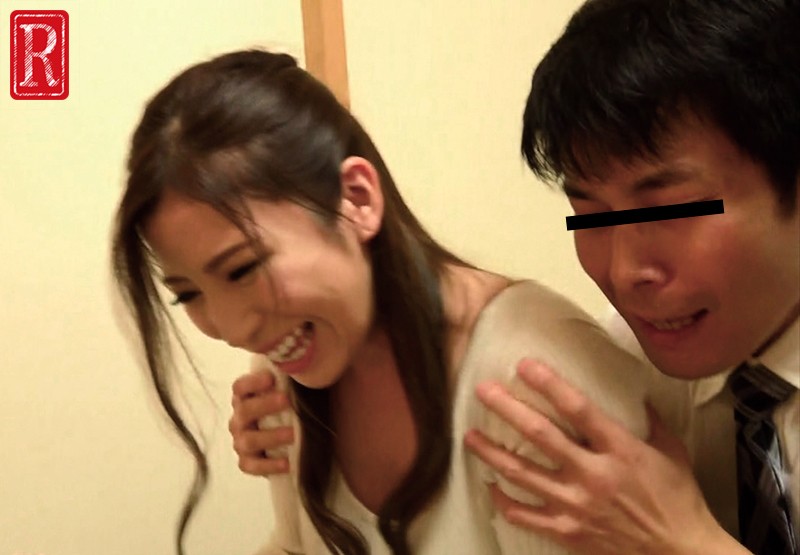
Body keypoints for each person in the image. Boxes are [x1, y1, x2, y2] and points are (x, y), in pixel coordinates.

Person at [112, 49, 652, 555]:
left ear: (357, 199)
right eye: (187, 294)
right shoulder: (292, 365)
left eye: (242, 269)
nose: (233, 329)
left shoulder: (528, 381)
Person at [463, 1, 800, 554]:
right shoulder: (621, 366)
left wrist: (688, 540)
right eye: (592, 217)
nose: (622, 274)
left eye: (669, 210)